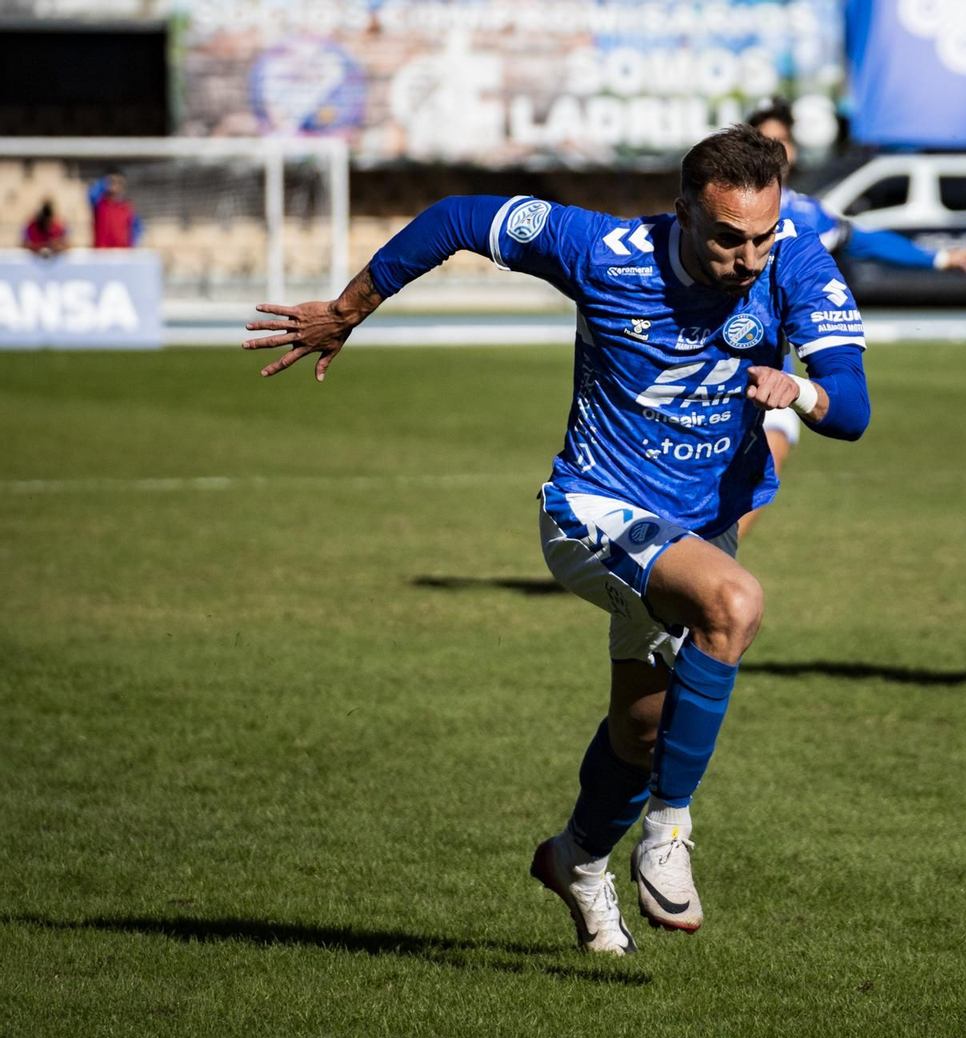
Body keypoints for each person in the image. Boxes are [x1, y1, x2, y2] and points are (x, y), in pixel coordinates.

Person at [242, 126, 870, 955]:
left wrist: (806, 394)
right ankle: (669, 835)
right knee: (735, 603)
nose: (748, 257)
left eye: (761, 235)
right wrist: (351, 310)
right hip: (592, 512)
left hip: (694, 529)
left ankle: (575, 860)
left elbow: (854, 410)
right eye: (726, 237)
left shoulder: (792, 259)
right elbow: (458, 216)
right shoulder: (601, 250)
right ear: (682, 212)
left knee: (644, 734)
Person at [738, 99, 966, 537]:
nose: (777, 150)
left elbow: (864, 239)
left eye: (783, 141)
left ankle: (706, 562)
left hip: (772, 374)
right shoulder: (720, 213)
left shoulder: (807, 215)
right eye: (765, 141)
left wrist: (938, 258)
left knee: (767, 458)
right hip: (702, 370)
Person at [88, 169, 142, 249]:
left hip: (123, 254)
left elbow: (137, 229)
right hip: (102, 254)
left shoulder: (127, 207)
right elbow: (91, 193)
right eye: (112, 181)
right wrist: (105, 181)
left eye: (119, 182)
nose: (115, 185)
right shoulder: (100, 204)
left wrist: (132, 246)